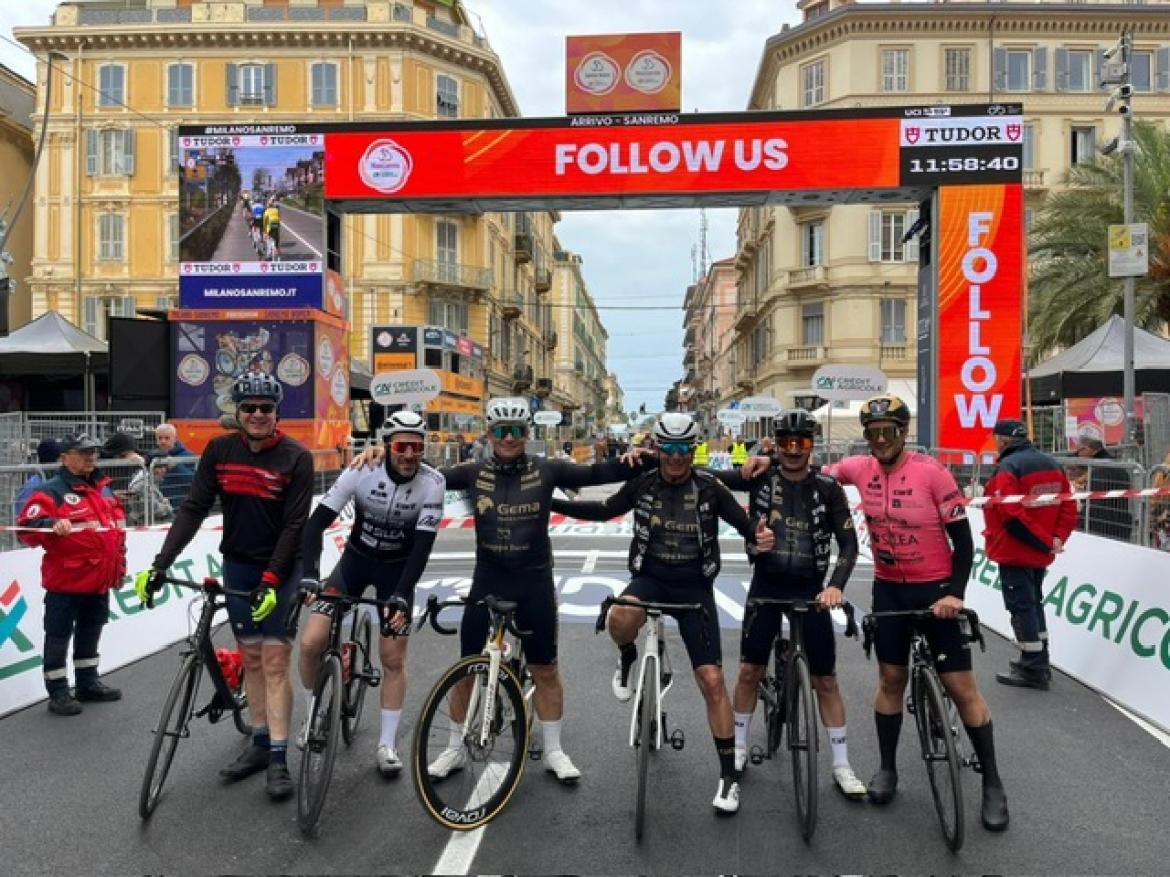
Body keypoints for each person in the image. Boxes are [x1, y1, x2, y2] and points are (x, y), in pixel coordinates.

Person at [351, 397, 648, 784]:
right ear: (489, 434)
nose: (509, 438)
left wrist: (647, 456)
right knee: (467, 666)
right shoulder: (472, 471)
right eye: (502, 431)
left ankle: (555, 750)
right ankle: (455, 747)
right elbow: (418, 470)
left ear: (527, 434)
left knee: (545, 667)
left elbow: (596, 473)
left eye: (517, 431)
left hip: (534, 579)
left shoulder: (548, 469)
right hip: (488, 579)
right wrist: (381, 452)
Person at [551, 413, 774, 815]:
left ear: (692, 449)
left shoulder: (710, 487)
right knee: (620, 614)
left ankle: (728, 777)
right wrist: (549, 503)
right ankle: (627, 658)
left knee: (712, 680)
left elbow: (747, 527)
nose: (675, 457)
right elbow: (604, 509)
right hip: (650, 577)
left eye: (683, 449)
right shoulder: (643, 481)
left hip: (694, 586)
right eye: (667, 448)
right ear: (657, 448)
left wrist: (762, 537)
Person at [817, 394, 1009, 831]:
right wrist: (764, 465)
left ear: (904, 433)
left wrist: (954, 595)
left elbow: (964, 545)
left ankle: (993, 783)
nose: (880, 440)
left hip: (936, 590)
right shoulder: (858, 468)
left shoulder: (932, 474)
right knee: (890, 679)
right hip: (890, 590)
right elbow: (813, 471)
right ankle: (887, 768)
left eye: (888, 431)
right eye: (872, 433)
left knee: (961, 687)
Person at [134, 372, 313, 801]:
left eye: (265, 409)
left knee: (273, 661)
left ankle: (278, 757)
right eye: (248, 407)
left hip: (280, 571)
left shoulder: (296, 457)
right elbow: (193, 509)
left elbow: (294, 526)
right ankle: (257, 740)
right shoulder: (219, 450)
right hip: (238, 567)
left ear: (276, 413)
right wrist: (160, 564)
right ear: (237, 410)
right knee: (251, 657)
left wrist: (272, 578)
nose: (256, 415)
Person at [712, 410, 866, 798]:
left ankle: (842, 764)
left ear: (812, 446)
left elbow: (849, 544)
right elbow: (704, 480)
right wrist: (649, 457)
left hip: (811, 593)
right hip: (766, 586)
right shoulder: (759, 476)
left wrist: (836, 586)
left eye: (802, 443)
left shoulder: (828, 488)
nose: (793, 451)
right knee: (749, 671)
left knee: (826, 680)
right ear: (776, 445)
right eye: (785, 443)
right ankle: (741, 747)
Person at [298, 411, 445, 776]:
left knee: (392, 657)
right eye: (402, 446)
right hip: (355, 562)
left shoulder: (433, 483)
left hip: (397, 571)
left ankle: (386, 743)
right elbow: (315, 525)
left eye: (417, 446)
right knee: (311, 641)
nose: (410, 454)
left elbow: (422, 548)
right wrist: (310, 576)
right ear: (387, 446)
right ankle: (312, 716)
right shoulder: (362, 471)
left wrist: (401, 594)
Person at [17, 434, 126, 715]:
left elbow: (116, 532)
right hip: (66, 582)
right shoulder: (50, 491)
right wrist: (51, 523)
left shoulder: (104, 489)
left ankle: (88, 683)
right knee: (58, 635)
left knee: (91, 630)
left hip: (99, 579)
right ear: (65, 458)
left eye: (94, 452)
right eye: (84, 452)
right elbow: (25, 530)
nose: (91, 457)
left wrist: (119, 568)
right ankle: (58, 692)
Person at [983, 419, 1077, 690]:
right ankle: (1039, 660)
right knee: (1034, 604)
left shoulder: (1008, 468)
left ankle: (1033, 667)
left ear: (1003, 440)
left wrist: (1044, 541)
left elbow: (1011, 516)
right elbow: (1069, 506)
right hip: (1040, 552)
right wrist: (1056, 538)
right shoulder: (1052, 464)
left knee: (1021, 607)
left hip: (1016, 550)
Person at [1073, 435, 1133, 540]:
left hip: (1099, 526)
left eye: (1079, 452)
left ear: (1090, 450)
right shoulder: (1118, 466)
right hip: (1121, 525)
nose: (1077, 456)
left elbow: (1092, 504)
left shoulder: (1098, 471)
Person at [151, 423, 196, 507]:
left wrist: (176, 466)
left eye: (167, 438)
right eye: (159, 438)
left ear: (175, 439)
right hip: (160, 508)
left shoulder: (188, 456)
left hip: (180, 506)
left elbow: (193, 481)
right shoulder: (153, 456)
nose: (163, 441)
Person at [14, 438, 62, 518]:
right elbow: (21, 511)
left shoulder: (55, 481)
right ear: (54, 460)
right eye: (61, 458)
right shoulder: (33, 486)